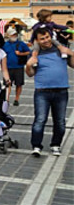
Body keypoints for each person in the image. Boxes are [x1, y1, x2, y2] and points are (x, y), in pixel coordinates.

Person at [25, 27, 72, 157]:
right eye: (42, 39)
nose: (46, 40)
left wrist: (72, 54)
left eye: (47, 37)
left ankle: (56, 145)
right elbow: (30, 74)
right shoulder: (35, 53)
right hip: (42, 92)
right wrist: (28, 65)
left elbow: (72, 65)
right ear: (37, 41)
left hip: (61, 91)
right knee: (40, 119)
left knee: (60, 121)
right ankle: (36, 146)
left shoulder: (60, 49)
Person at [3, 27, 30, 106]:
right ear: (9, 35)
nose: (14, 36)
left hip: (19, 67)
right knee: (7, 84)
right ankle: (7, 99)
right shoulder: (5, 45)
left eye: (15, 34)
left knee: (19, 84)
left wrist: (20, 54)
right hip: (8, 67)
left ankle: (16, 99)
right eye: (12, 35)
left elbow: (28, 52)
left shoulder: (21, 44)